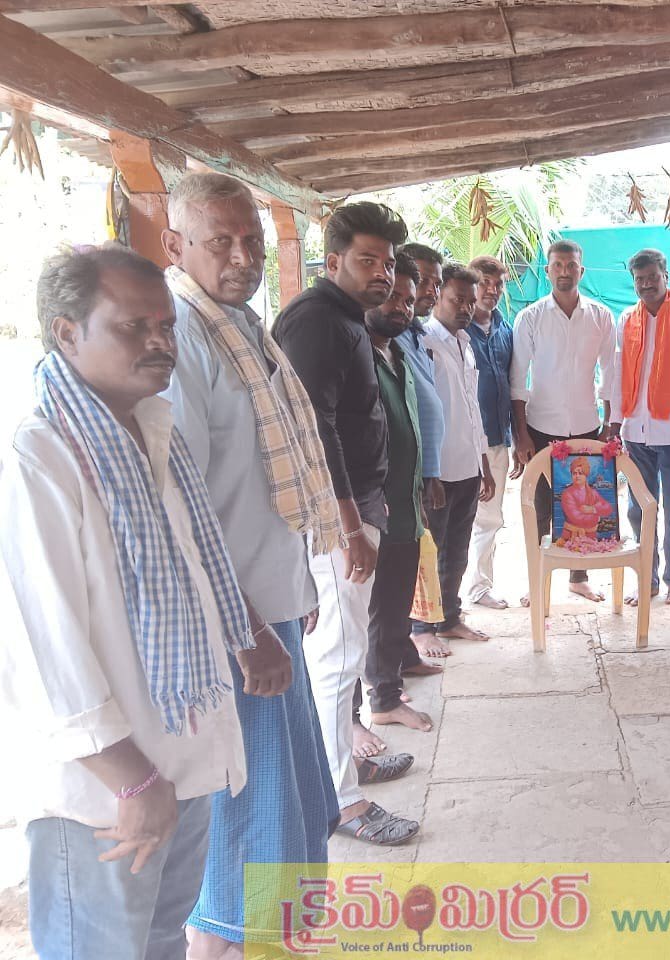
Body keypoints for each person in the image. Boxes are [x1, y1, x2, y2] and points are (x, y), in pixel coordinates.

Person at [0, 247, 250, 959]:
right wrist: (133, 781)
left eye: (165, 326)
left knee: (161, 941)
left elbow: (192, 572)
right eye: (132, 326)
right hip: (105, 792)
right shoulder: (37, 457)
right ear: (66, 332)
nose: (159, 342)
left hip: (178, 755)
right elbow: (42, 648)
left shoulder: (151, 431)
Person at [159, 172, 340, 956]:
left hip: (269, 609)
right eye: (220, 242)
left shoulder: (239, 325)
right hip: (234, 630)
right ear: (175, 245)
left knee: (281, 804)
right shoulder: (179, 336)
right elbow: (183, 512)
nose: (243, 257)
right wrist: (245, 631)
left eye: (253, 242)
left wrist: (295, 586)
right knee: (245, 814)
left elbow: (265, 478)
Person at [274, 201, 419, 846]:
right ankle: (340, 801)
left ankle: (339, 767)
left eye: (387, 262)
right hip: (338, 514)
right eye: (367, 260)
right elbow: (316, 426)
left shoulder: (346, 317)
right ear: (332, 260)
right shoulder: (315, 321)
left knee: (342, 648)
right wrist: (349, 524)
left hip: (357, 503)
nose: (382, 273)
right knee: (336, 655)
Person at [509, 239, 616, 603]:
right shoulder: (530, 317)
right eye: (558, 265)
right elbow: (518, 378)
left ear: (581, 271)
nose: (564, 272)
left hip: (586, 427)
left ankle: (578, 577)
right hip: (540, 427)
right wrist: (521, 433)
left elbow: (611, 372)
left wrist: (610, 424)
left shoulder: (601, 316)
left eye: (571, 266)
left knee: (584, 507)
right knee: (541, 508)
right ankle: (538, 581)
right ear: (548, 270)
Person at [361, 253, 441, 734]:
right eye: (393, 297)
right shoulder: (357, 353)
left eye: (409, 301)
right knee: (372, 609)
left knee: (395, 602)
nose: (402, 307)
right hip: (374, 507)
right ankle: (380, 698)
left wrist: (424, 479)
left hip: (406, 501)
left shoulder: (397, 353)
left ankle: (390, 683)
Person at [604, 248, 670, 606]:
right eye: (640, 279)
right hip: (636, 432)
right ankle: (646, 579)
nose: (647, 284)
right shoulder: (627, 319)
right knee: (638, 508)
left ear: (666, 276)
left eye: (653, 277)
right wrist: (615, 422)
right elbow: (618, 374)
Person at [423, 263, 496, 643]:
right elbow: (423, 412)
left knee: (458, 549)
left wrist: (484, 464)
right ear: (437, 296)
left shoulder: (464, 344)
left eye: (470, 301)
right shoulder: (424, 343)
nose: (466, 308)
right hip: (438, 470)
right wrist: (428, 473)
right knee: (430, 549)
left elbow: (472, 409)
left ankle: (449, 618)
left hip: (468, 465)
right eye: (457, 300)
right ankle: (422, 626)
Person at [397, 243, 450, 660]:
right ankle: (410, 640)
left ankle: (403, 651)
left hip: (426, 469)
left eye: (435, 282)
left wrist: (431, 471)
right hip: (402, 474)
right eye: (423, 281)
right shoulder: (389, 334)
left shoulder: (416, 335)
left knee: (425, 554)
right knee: (403, 566)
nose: (429, 290)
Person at [464, 255, 516, 610]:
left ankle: (480, 587)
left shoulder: (505, 330)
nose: (492, 291)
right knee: (453, 520)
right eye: (484, 283)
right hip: (460, 443)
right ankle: (441, 601)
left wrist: (517, 437)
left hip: (497, 440)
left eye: (498, 284)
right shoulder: (455, 330)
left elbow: (512, 385)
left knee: (490, 517)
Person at [558, 455, 614, 544]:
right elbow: (575, 517)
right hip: (570, 538)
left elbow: (608, 508)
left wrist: (592, 509)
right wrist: (597, 517)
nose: (577, 476)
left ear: (586, 475)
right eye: (574, 473)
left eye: (580, 473)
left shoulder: (592, 492)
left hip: (591, 539)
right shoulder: (567, 493)